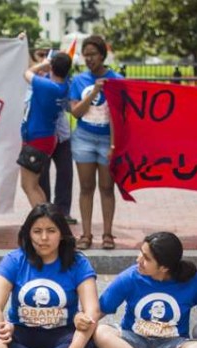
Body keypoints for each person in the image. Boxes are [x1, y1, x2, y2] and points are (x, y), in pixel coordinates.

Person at [0, 203, 99, 348]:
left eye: (51, 231)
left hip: (62, 337)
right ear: (28, 234)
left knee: (87, 344)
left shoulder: (78, 262)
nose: (44, 238)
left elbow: (92, 310)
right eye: (37, 231)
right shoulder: (14, 260)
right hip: (22, 333)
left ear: (62, 233)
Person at [69, 35, 122, 250]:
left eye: (93, 54)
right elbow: (75, 112)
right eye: (86, 55)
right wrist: (95, 92)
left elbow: (120, 117)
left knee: (107, 188)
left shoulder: (116, 79)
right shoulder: (79, 81)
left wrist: (113, 145)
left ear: (102, 55)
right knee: (86, 187)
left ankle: (108, 234)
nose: (89, 59)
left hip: (107, 140)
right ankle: (86, 234)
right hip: (84, 138)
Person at [19, 50, 72, 208]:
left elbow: (26, 73)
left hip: (37, 138)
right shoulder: (63, 86)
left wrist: (44, 64)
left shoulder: (47, 86)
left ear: (52, 67)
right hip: (45, 137)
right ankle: (48, 217)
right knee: (34, 186)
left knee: (29, 186)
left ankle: (43, 221)